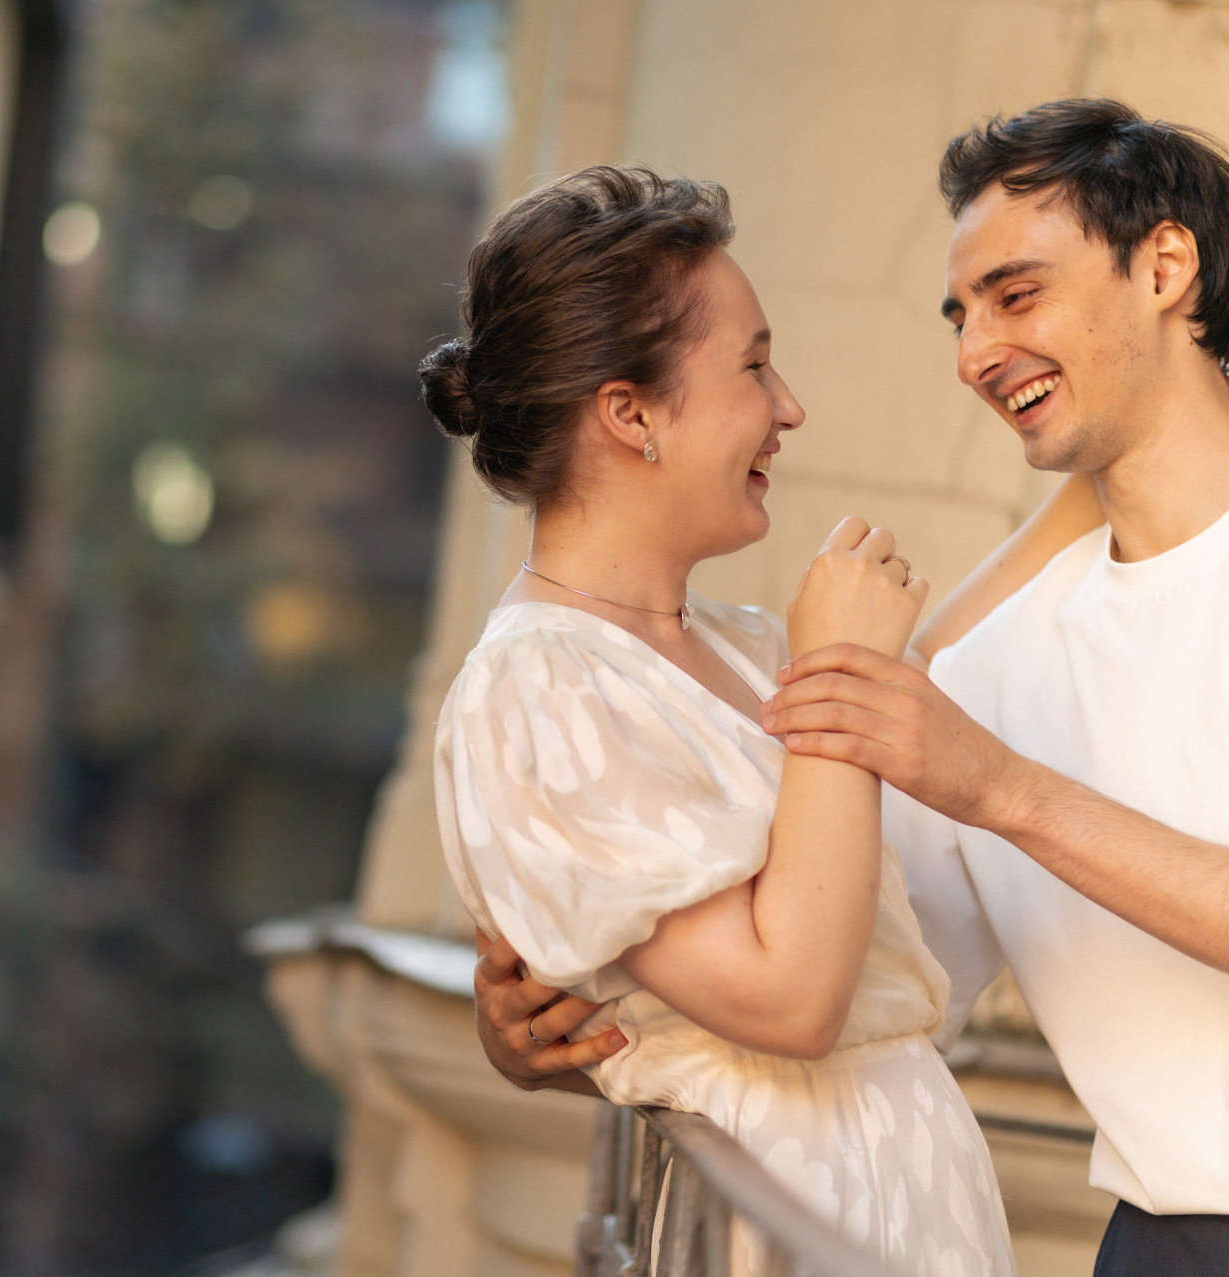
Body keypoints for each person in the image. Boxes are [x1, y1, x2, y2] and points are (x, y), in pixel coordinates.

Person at [480, 100, 1229, 1277]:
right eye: (960, 316)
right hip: (1158, 1246)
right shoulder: (988, 674)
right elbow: (849, 989)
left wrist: (1007, 789)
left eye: (1016, 294)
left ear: (1166, 266)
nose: (975, 355)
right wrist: (569, 1013)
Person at [422, 163, 1038, 1276]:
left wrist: (1140, 454)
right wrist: (845, 660)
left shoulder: (737, 644)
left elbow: (933, 680)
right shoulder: (537, 692)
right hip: (781, 1225)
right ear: (631, 413)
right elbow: (790, 998)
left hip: (901, 1197)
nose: (788, 406)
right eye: (754, 365)